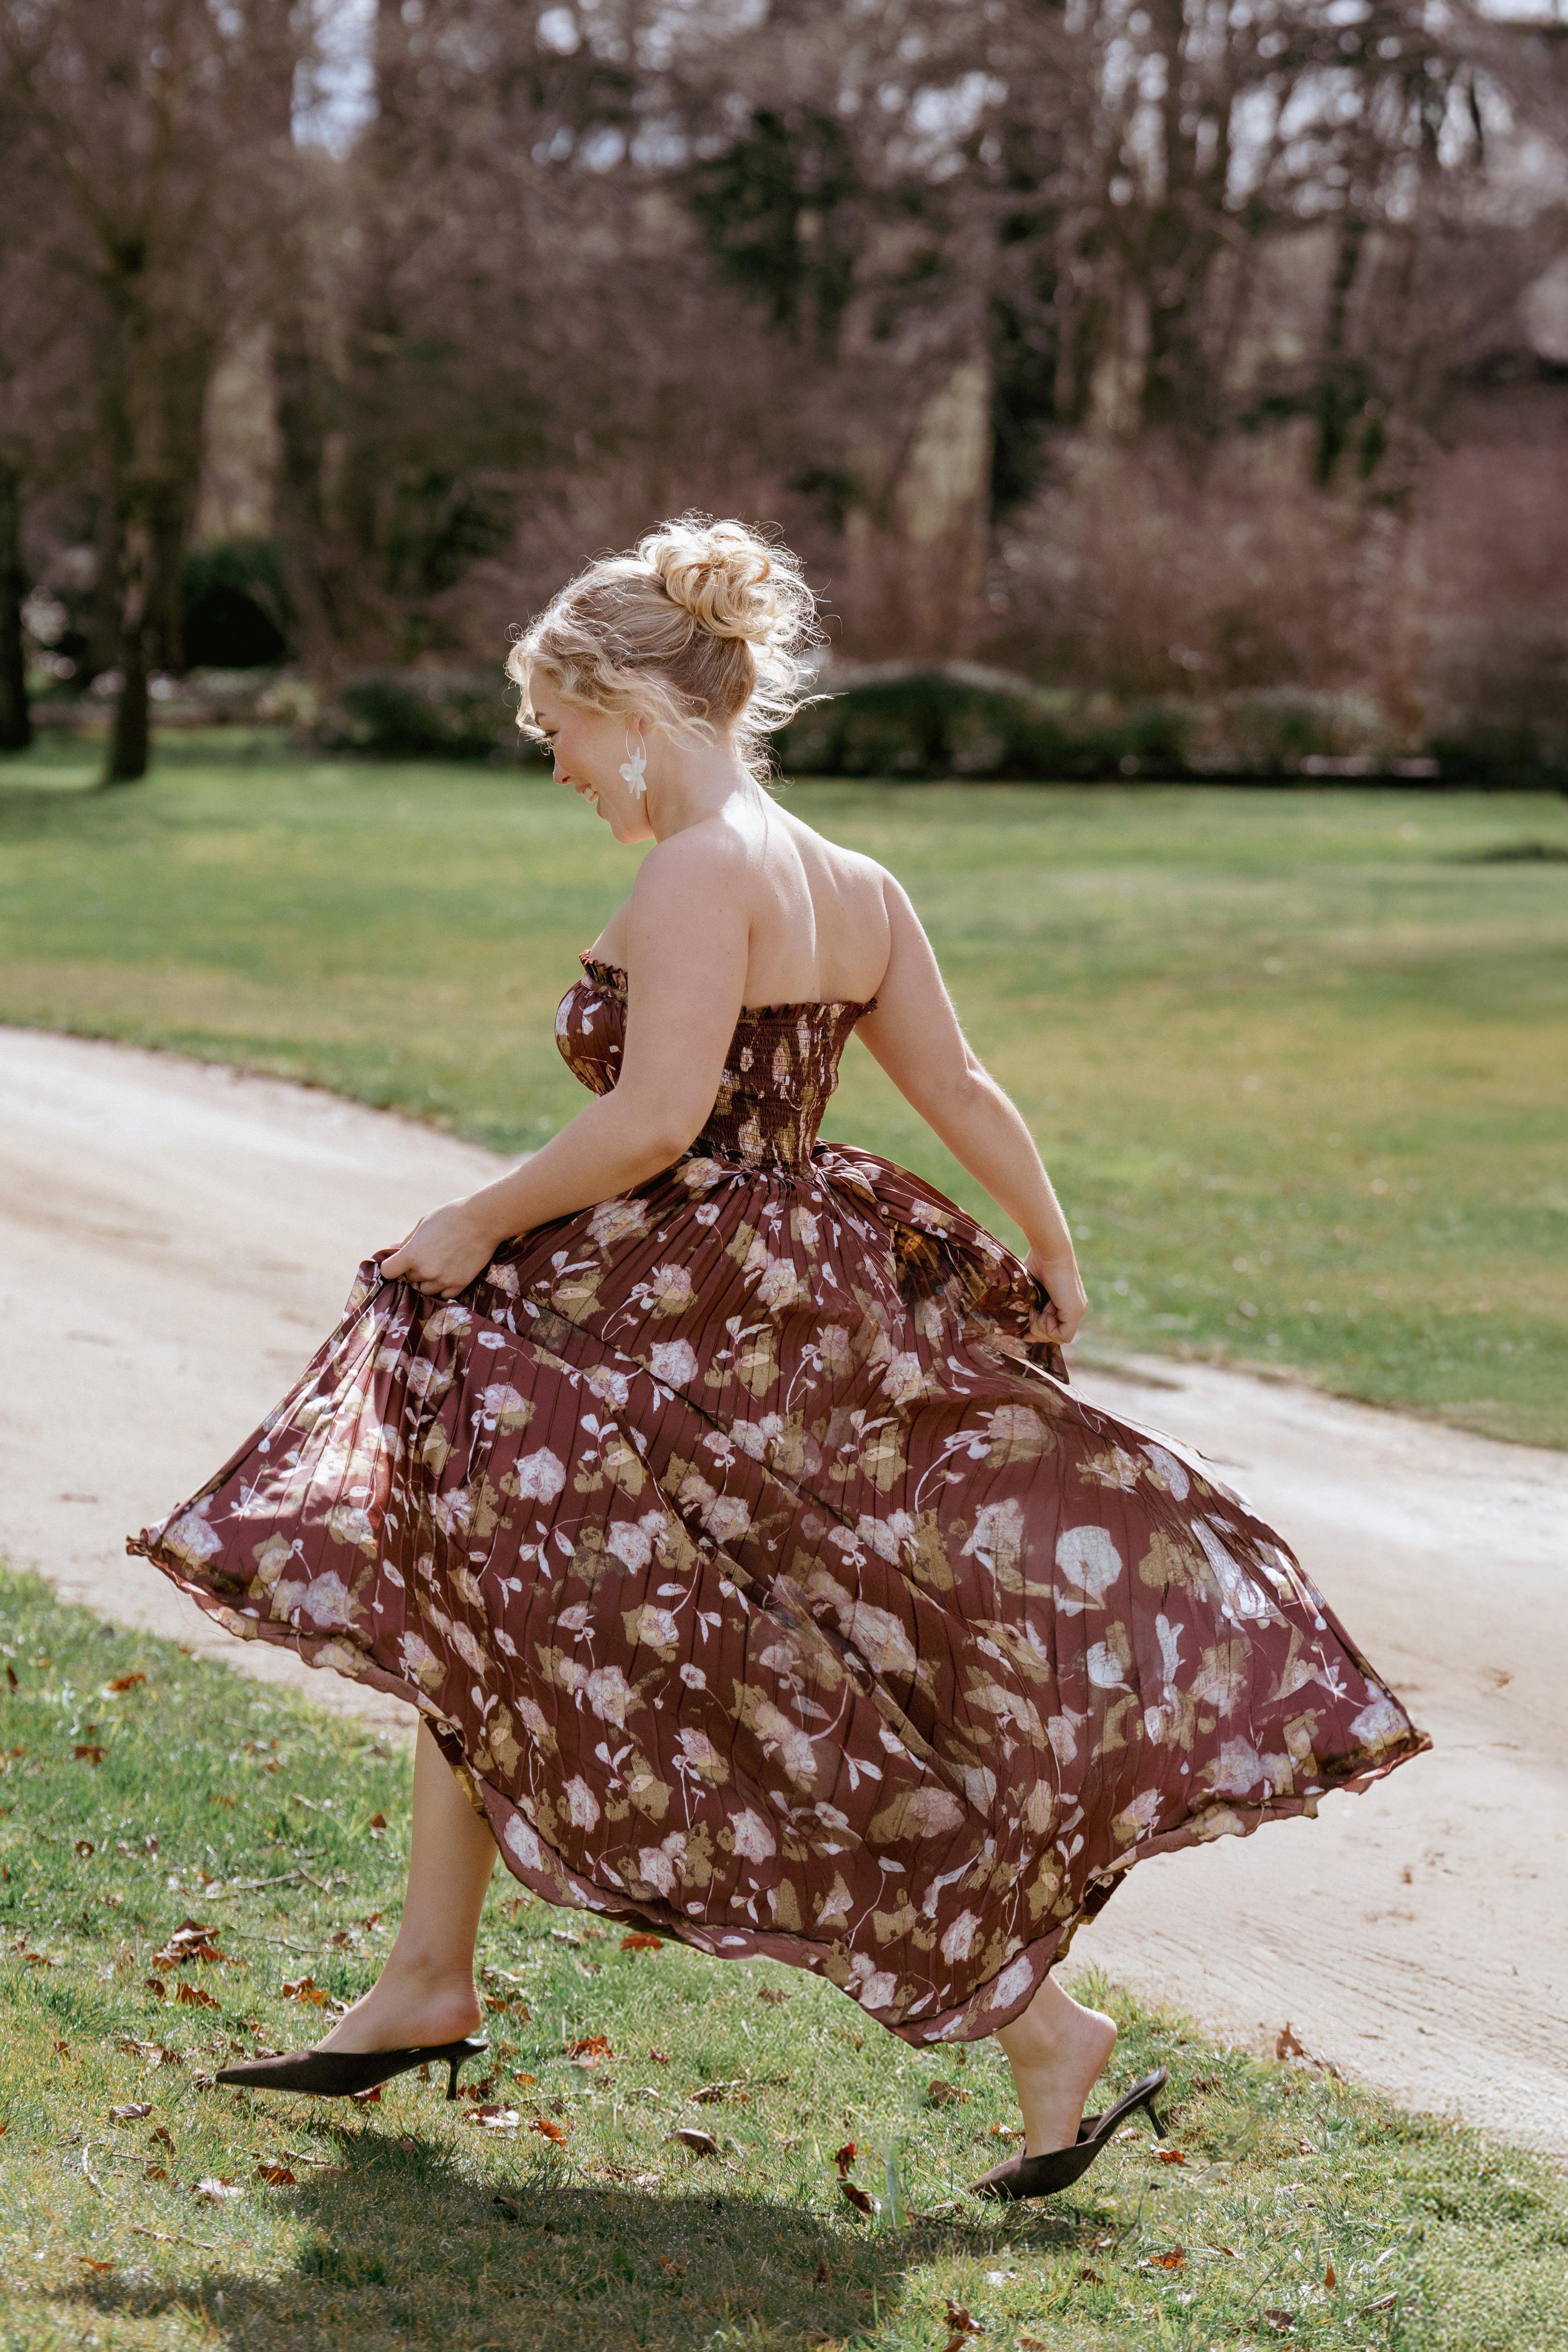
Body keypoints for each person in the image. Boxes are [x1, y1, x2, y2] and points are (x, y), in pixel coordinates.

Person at [130, 516, 1427, 2199]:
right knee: (497, 1583)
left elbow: (655, 1119)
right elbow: (961, 1094)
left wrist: (465, 1219)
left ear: (628, 703)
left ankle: (1035, 2024)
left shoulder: (697, 871)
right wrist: (1049, 1244)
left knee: (736, 1680)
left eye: (560, 734)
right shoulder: (851, 880)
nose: (561, 772)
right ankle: (426, 1976)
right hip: (786, 1294)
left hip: (686, 1312)